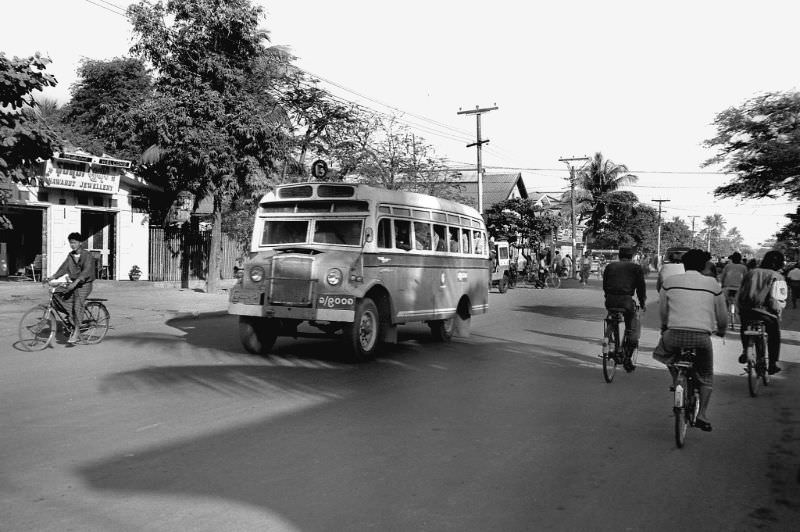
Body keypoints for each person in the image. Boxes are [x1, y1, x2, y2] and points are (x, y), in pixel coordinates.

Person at [653, 249, 727, 432]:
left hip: (674, 334)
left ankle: (676, 378)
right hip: (701, 337)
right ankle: (702, 414)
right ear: (704, 265)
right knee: (706, 376)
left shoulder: (670, 282)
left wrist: (665, 327)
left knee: (663, 354)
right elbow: (722, 315)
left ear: (683, 265)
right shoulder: (713, 284)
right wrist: (722, 330)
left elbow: (663, 310)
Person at [737, 250, 786, 374]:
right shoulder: (778, 276)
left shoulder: (751, 273)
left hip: (747, 310)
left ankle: (745, 350)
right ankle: (773, 364)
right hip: (766, 313)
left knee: (745, 327)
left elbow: (741, 291)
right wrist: (778, 312)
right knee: (774, 335)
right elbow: (778, 300)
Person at [45, 232, 96, 345]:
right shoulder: (71, 256)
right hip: (73, 283)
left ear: (80, 243)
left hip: (84, 285)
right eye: (70, 243)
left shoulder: (87, 255)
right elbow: (64, 268)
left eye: (74, 242)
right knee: (58, 294)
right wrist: (52, 277)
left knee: (77, 304)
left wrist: (76, 282)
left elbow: (86, 271)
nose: (72, 245)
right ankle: (72, 318)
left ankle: (77, 332)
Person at [602, 246, 647, 372]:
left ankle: (610, 338)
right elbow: (641, 288)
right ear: (632, 257)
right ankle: (627, 357)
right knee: (631, 328)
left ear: (619, 255)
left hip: (610, 300)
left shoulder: (610, 267)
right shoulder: (636, 268)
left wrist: (608, 296)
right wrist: (642, 303)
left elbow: (605, 285)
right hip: (626, 301)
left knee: (611, 318)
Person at [720, 252, 748, 324]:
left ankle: (724, 317)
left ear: (732, 259)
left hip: (727, 288)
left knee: (724, 304)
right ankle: (738, 317)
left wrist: (722, 285)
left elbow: (722, 277)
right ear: (740, 259)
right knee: (739, 304)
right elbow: (746, 279)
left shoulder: (727, 266)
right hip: (739, 289)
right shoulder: (743, 267)